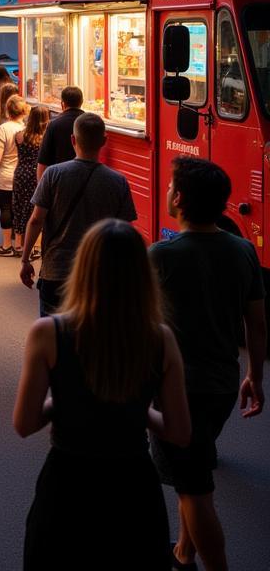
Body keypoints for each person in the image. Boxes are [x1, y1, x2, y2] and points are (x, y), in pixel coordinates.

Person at [13, 219, 191, 571]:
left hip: (68, 482)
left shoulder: (48, 332)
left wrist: (63, 402)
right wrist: (135, 410)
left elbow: (24, 423)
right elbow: (179, 432)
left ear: (84, 268)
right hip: (132, 485)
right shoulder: (159, 338)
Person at [149, 158, 266, 571]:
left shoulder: (160, 255)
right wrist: (255, 376)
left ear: (178, 199)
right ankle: (184, 552)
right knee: (193, 471)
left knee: (193, 488)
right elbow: (256, 322)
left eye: (169, 187)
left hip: (173, 388)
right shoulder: (243, 250)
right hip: (221, 384)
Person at [21, 113, 137, 315]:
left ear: (73, 140)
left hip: (57, 270)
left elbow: (36, 220)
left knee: (55, 336)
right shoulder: (118, 181)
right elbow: (126, 231)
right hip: (100, 274)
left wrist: (25, 260)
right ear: (104, 141)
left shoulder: (53, 174)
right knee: (95, 338)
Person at [0, 95, 29, 256]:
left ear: (8, 110)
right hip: (20, 175)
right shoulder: (25, 129)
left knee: (5, 209)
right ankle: (18, 244)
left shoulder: (3, 129)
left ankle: (6, 246)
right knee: (18, 210)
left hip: (4, 174)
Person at [13, 105, 49, 261]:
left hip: (20, 172)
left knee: (19, 206)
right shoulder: (44, 139)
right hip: (36, 174)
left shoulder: (19, 135)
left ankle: (18, 243)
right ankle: (36, 245)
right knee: (35, 208)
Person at [36, 86, 84, 179]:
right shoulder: (88, 122)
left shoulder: (54, 125)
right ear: (81, 102)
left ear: (63, 104)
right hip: (84, 178)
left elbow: (43, 160)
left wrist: (41, 187)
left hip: (59, 178)